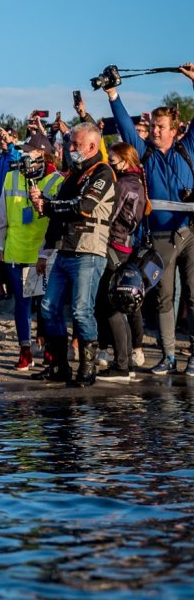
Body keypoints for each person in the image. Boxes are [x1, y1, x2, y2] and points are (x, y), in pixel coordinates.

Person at [105, 68, 194, 376]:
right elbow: (128, 131)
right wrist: (113, 94)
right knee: (164, 298)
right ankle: (169, 356)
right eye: (153, 126)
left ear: (174, 128)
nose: (154, 131)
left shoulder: (188, 146)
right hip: (159, 235)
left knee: (193, 296)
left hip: (190, 232)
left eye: (160, 127)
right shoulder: (146, 154)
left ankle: (193, 355)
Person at [31, 122, 117, 386]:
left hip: (89, 250)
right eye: (69, 144)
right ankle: (59, 365)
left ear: (92, 146)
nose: (70, 149)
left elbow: (83, 206)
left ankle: (87, 368)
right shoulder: (72, 174)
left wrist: (50, 204)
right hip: (65, 249)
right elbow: (59, 207)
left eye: (75, 145)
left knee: (81, 310)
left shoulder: (102, 172)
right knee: (48, 307)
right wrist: (42, 202)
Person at [0, 135, 63, 372]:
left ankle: (50, 349)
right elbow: (1, 214)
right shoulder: (12, 176)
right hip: (15, 251)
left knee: (46, 305)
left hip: (42, 253)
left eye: (30, 151)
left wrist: (47, 252)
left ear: (42, 154)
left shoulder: (56, 181)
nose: (25, 155)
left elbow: (57, 222)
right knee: (21, 304)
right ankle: (25, 351)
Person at [94, 142, 148, 382]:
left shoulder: (124, 184)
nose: (111, 165)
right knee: (119, 305)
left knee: (111, 306)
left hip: (113, 246)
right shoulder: (138, 183)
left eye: (113, 162)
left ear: (126, 161)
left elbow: (108, 215)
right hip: (124, 247)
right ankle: (125, 362)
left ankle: (122, 365)